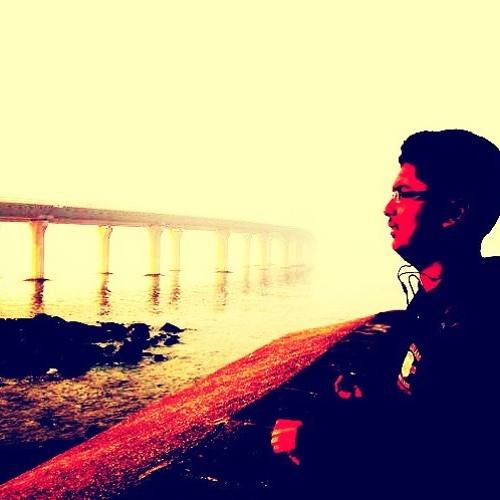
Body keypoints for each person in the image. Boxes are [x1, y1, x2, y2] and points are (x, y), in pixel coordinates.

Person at [270, 129, 500, 498]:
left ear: (454, 212)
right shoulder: (436, 297)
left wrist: (316, 441)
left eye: (403, 194)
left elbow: (438, 461)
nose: (388, 208)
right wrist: (371, 392)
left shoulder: (474, 326)